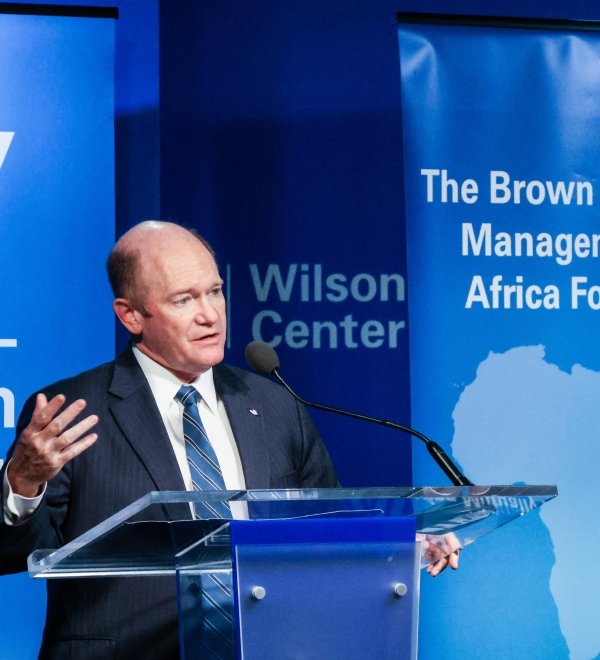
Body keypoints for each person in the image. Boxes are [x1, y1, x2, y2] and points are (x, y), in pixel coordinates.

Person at [0, 221, 457, 659]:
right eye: (184, 300)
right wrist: (22, 485)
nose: (210, 314)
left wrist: (406, 544)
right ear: (131, 315)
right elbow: (14, 554)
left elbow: (325, 533)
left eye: (215, 292)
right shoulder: (72, 412)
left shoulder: (274, 406)